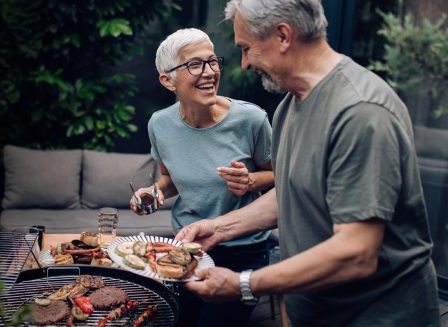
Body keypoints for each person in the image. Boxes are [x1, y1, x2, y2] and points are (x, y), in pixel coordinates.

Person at [176, 1, 441, 326]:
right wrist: (220, 228)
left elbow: (356, 253)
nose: (244, 64)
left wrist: (243, 284)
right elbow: (293, 191)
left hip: (377, 316)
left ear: (283, 36)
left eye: (246, 48)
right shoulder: (290, 104)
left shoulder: (360, 112)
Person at [129, 28, 275, 326]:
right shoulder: (160, 124)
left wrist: (250, 182)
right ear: (167, 80)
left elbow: (279, 178)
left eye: (212, 61)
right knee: (177, 320)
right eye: (195, 64)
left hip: (242, 251)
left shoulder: (252, 119)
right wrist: (153, 193)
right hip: (186, 248)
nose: (209, 72)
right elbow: (168, 179)